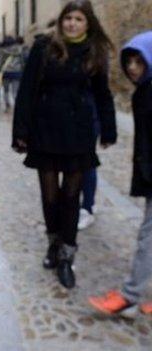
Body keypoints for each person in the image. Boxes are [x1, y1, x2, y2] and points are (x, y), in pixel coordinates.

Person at [12, 0, 116, 289]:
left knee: (72, 198)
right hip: (45, 132)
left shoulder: (94, 52)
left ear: (88, 23)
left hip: (79, 135)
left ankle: (67, 256)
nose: (72, 24)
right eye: (68, 18)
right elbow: (27, 90)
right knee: (50, 198)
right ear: (61, 21)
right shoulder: (44, 46)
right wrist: (21, 130)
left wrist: (108, 130)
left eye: (78, 19)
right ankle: (53, 244)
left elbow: (103, 94)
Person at [88, 31, 152, 315]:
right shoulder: (144, 92)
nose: (133, 68)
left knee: (148, 237)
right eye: (130, 62)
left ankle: (129, 296)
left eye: (140, 61)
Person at [0, 36, 26, 112]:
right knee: (15, 91)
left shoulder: (2, 50)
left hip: (6, 72)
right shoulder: (19, 49)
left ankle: (7, 106)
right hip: (16, 72)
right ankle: (17, 107)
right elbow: (22, 61)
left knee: (6, 90)